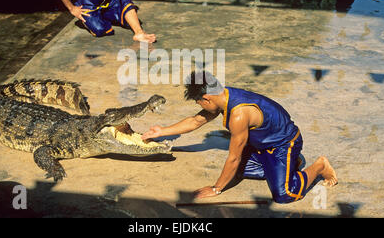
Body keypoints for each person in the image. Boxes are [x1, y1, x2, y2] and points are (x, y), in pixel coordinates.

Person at [141, 71, 338, 203]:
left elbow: (234, 157)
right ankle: (292, 163)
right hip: (261, 145)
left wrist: (216, 189)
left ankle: (319, 166)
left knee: (284, 194)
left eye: (199, 102)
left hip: (284, 143)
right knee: (240, 173)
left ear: (207, 98)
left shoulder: (238, 114)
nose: (199, 106)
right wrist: (162, 131)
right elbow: (195, 121)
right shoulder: (223, 97)